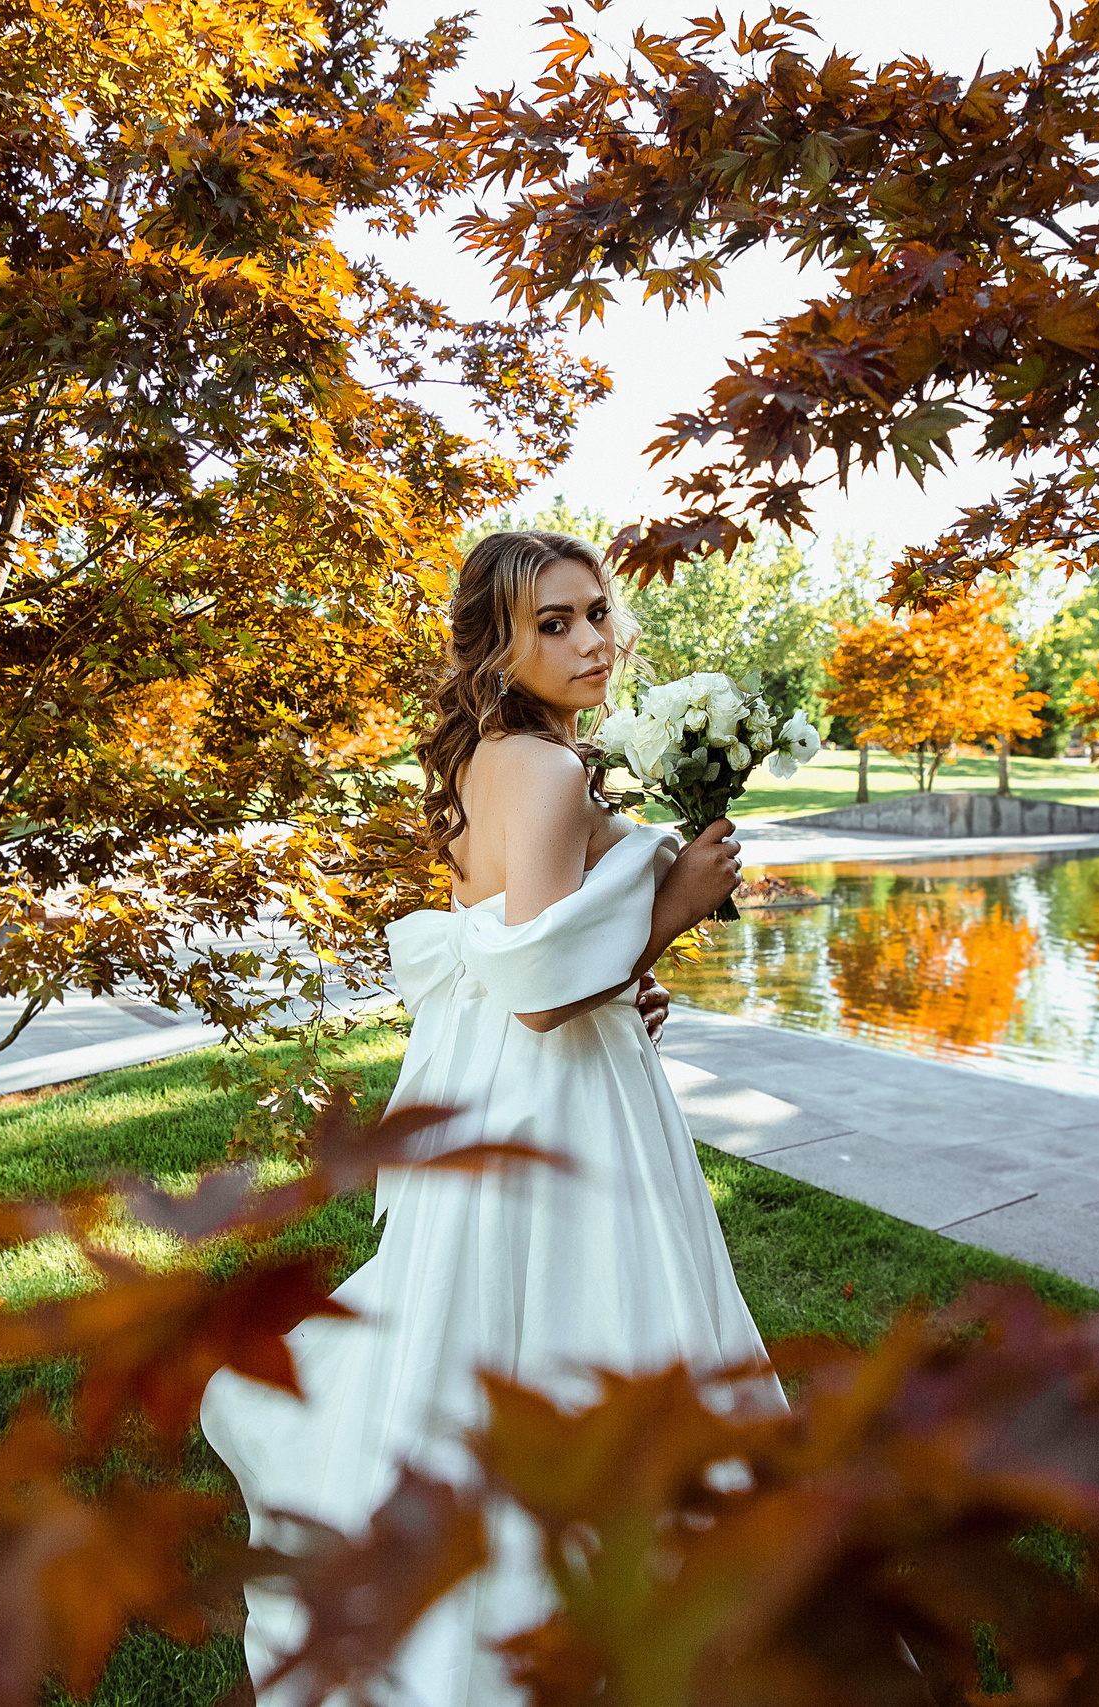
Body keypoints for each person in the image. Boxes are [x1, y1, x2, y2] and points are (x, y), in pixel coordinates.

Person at [200, 529, 780, 1704]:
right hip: (551, 1088)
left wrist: (625, 974)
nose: (590, 640)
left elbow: (536, 953)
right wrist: (672, 909)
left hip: (532, 1081)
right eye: (551, 623)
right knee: (588, 1308)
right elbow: (533, 995)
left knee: (495, 1315)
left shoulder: (501, 755)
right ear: (498, 645)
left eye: (596, 611)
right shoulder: (547, 767)